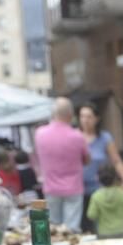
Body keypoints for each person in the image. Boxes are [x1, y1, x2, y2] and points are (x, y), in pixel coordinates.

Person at [34, 98, 90, 229]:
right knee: (71, 229)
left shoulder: (40, 134)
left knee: (53, 228)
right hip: (73, 188)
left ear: (53, 114)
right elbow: (87, 159)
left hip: (51, 188)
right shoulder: (77, 136)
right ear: (71, 115)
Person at [79, 103, 123, 234]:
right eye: (82, 116)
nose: (85, 120)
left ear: (96, 119)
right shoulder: (75, 137)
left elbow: (116, 160)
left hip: (99, 189)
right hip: (78, 189)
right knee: (82, 228)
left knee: (98, 226)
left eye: (89, 116)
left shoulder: (104, 138)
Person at [86, 163, 123, 239]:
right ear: (115, 177)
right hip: (120, 231)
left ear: (98, 178)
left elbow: (91, 215)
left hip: (103, 232)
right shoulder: (122, 193)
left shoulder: (96, 196)